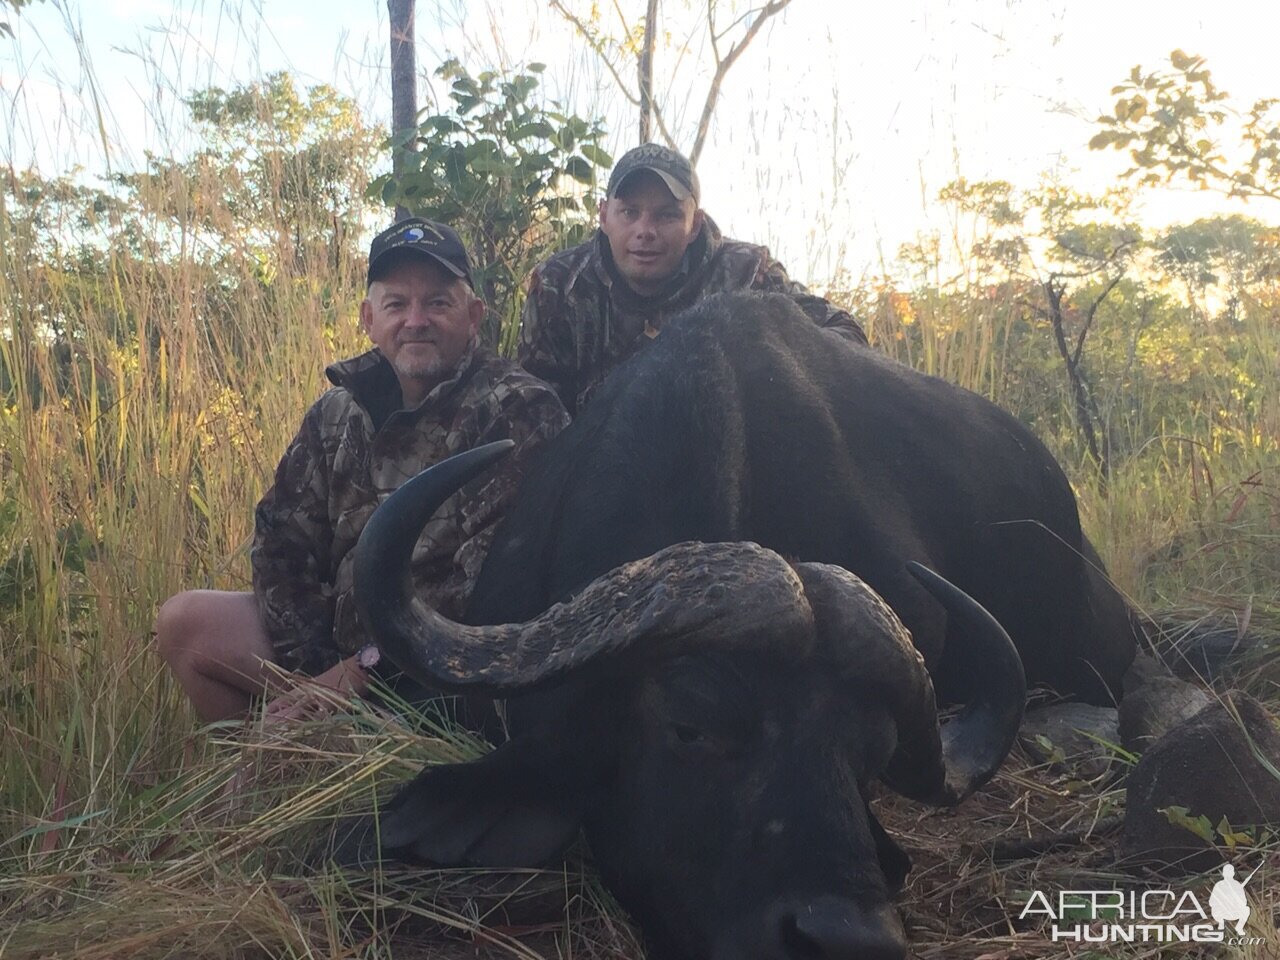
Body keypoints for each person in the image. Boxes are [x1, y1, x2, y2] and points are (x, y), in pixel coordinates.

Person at [156, 218, 569, 722]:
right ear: (368, 319)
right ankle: (274, 783)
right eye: (397, 304)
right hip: (337, 653)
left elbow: (496, 591)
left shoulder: (519, 411)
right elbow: (280, 547)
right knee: (186, 624)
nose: (416, 320)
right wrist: (317, 672)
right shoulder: (335, 412)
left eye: (438, 302)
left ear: (474, 316)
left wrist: (363, 670)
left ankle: (333, 758)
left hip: (447, 668)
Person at [519, 142, 868, 416]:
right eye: (629, 212)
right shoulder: (558, 286)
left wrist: (762, 377)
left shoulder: (747, 275)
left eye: (667, 215)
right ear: (604, 215)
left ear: (695, 224)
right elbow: (537, 409)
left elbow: (844, 335)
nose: (646, 231)